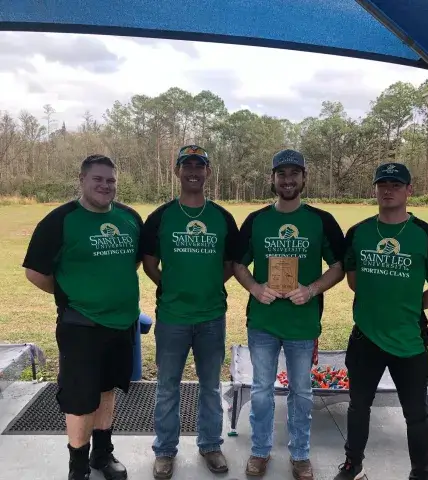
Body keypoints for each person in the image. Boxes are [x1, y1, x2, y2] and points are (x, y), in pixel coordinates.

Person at [22, 154, 143, 480]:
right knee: (80, 398)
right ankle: (78, 469)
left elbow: (130, 262)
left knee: (106, 390)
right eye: (98, 179)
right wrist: (72, 295)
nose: (105, 186)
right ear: (82, 179)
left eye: (111, 180)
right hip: (81, 325)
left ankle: (102, 456)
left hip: (122, 323)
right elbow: (35, 271)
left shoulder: (130, 218)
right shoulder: (60, 220)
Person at [233, 149, 346, 479]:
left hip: (303, 322)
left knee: (301, 392)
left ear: (303, 179)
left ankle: (300, 455)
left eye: (294, 173)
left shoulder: (321, 220)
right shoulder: (257, 220)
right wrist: (255, 288)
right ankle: (260, 451)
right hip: (264, 322)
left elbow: (338, 266)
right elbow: (239, 264)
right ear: (272, 179)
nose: (288, 179)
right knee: (261, 391)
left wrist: (310, 290)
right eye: (281, 173)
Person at [141, 145, 239, 479]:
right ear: (177, 171)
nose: (193, 171)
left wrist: (209, 283)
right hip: (172, 318)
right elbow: (150, 263)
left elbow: (230, 263)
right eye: (187, 165)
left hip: (212, 316)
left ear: (208, 172)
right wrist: (171, 286)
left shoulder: (222, 218)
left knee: (210, 385)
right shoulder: (161, 216)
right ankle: (165, 451)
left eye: (200, 165)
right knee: (167, 386)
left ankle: (210, 445)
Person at [334, 162, 428, 480]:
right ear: (376, 189)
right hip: (366, 336)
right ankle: (353, 464)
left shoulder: (426, 235)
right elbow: (353, 280)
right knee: (358, 406)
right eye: (382, 184)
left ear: (409, 190)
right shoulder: (359, 232)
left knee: (416, 413)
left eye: (395, 184)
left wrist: (412, 305)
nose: (388, 189)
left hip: (409, 339)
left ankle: (420, 472)